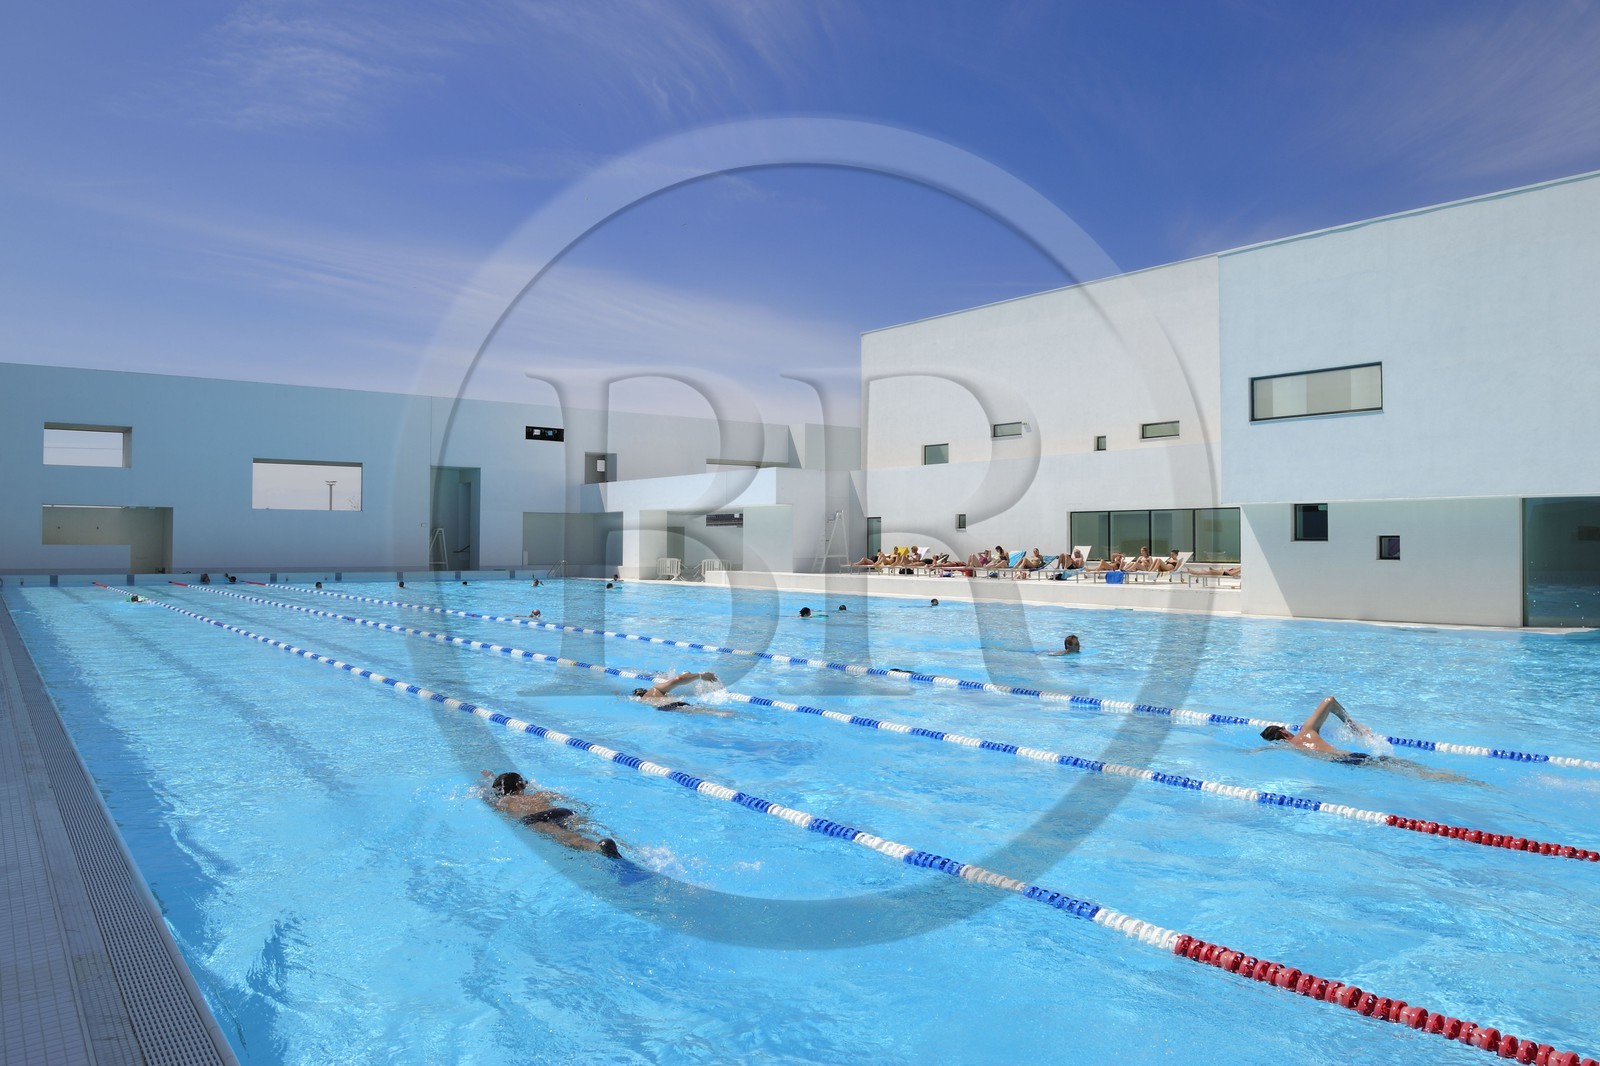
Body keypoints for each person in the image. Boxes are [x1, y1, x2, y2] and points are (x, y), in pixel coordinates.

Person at [1261, 697, 1476, 783]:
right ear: (1284, 732)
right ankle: (1460, 779)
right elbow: (1329, 701)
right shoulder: (1306, 732)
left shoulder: (1289, 749)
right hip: (1352, 757)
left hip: (1344, 765)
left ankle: (1452, 778)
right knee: (1416, 771)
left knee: (1404, 772)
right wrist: (1350, 723)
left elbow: (1263, 752)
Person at [483, 771, 618, 858]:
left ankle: (596, 847)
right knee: (586, 829)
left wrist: (488, 781)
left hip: (535, 818)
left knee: (566, 837)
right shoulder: (539, 794)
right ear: (519, 785)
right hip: (562, 811)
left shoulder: (506, 801)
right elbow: (572, 801)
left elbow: (491, 800)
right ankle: (612, 842)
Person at [630, 671, 729, 715]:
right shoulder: (654, 689)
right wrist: (699, 675)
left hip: (667, 709)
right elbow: (678, 679)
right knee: (714, 712)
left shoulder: (644, 700)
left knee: (710, 712)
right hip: (674, 705)